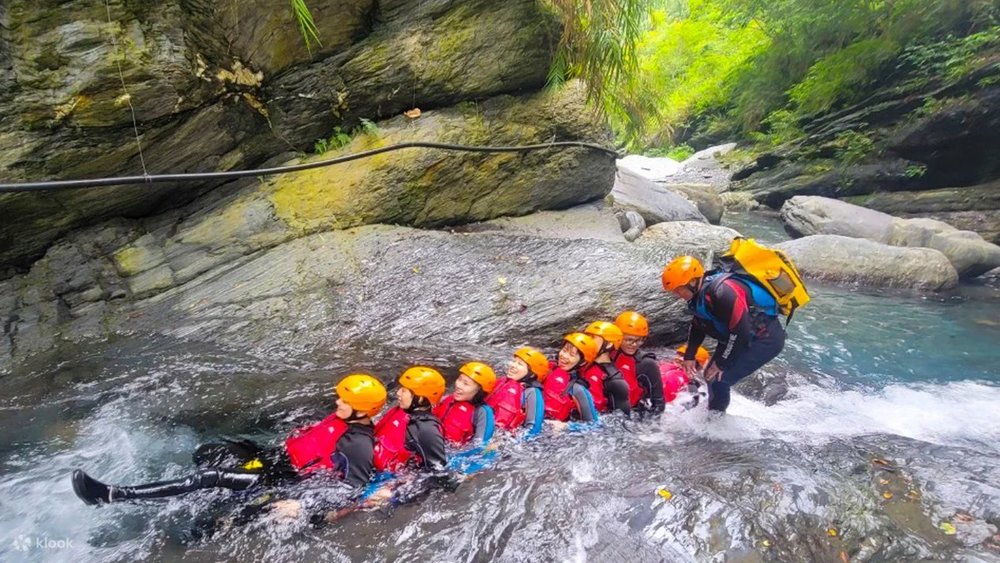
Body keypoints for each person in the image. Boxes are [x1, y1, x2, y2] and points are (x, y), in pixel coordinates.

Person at [71, 374, 387, 505]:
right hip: (271, 460)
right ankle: (204, 496)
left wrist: (299, 504)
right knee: (209, 451)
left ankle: (112, 495)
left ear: (361, 410)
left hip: (283, 480)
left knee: (210, 477)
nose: (337, 402)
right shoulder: (347, 417)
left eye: (345, 401)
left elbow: (352, 489)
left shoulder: (357, 443)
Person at [661, 255, 787, 413]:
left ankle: (716, 421)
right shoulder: (698, 297)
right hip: (736, 338)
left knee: (720, 379)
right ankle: (713, 414)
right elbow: (698, 325)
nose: (676, 295)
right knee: (710, 375)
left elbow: (741, 333)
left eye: (678, 290)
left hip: (764, 340)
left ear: (692, 282)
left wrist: (722, 363)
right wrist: (689, 356)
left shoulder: (723, 293)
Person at [372, 366, 448, 473]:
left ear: (420, 398)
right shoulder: (401, 411)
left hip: (390, 477)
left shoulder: (426, 429)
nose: (398, 393)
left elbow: (438, 470)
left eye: (404, 391)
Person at [485, 347, 549, 436]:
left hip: (504, 437)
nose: (513, 365)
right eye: (514, 361)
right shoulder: (501, 382)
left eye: (520, 364)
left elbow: (533, 430)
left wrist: (510, 440)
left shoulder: (532, 393)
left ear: (532, 374)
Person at [610, 311, 665, 414]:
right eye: (629, 340)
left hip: (634, 413)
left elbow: (659, 402)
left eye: (639, 340)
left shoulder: (647, 364)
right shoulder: (607, 355)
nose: (634, 344)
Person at [433, 362, 497, 447]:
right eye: (459, 379)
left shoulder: (482, 412)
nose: (458, 385)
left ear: (479, 391)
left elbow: (480, 447)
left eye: (466, 384)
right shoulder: (447, 399)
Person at [542, 333, 600, 423]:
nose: (564, 356)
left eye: (571, 355)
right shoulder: (548, 368)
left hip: (554, 427)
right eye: (564, 350)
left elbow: (592, 424)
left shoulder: (577, 389)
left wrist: (566, 426)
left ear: (582, 362)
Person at [583, 321, 632, 414]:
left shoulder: (614, 380)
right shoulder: (582, 363)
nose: (587, 341)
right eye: (587, 336)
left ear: (609, 344)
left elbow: (622, 418)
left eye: (592, 337)